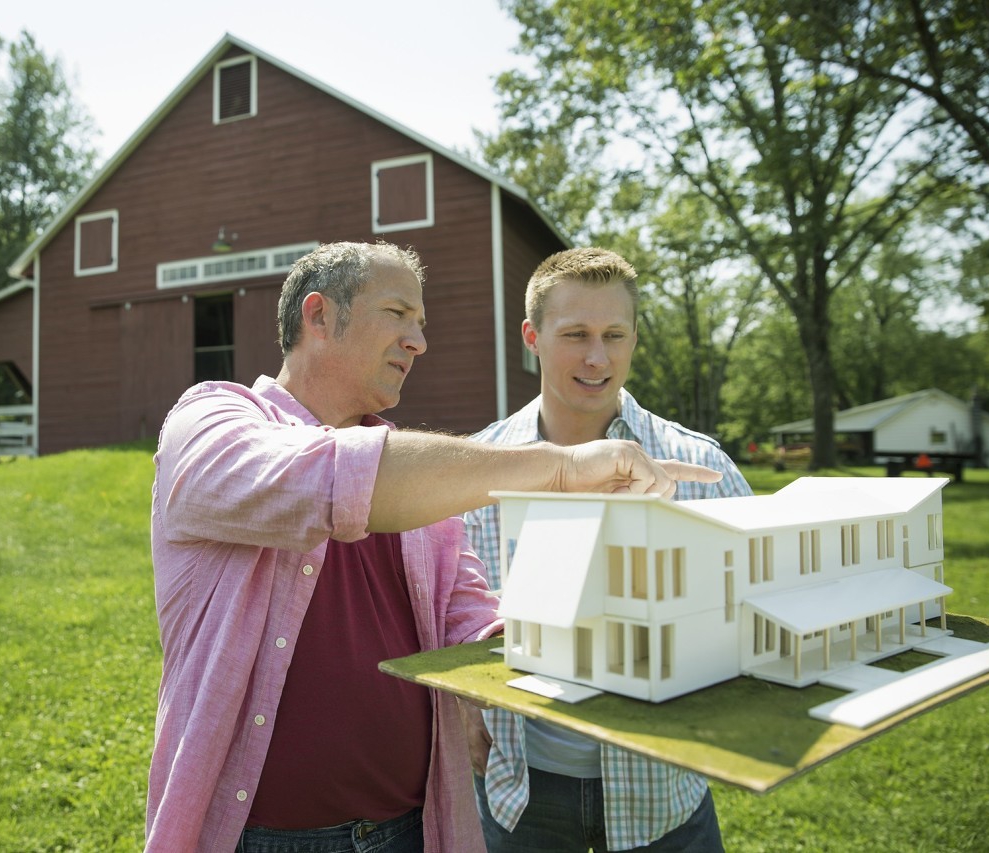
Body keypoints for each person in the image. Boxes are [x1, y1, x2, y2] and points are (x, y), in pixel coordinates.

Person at [144, 241, 722, 852]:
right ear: (318, 316)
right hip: (262, 838)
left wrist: (540, 644)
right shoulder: (212, 422)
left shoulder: (418, 474)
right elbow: (330, 477)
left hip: (409, 831)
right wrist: (561, 468)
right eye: (398, 315)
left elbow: (466, 609)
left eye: (421, 324)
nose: (418, 342)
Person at [464, 247, 753, 852]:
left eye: (614, 335)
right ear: (532, 337)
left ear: (634, 339)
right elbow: (440, 613)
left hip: (665, 793)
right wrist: (458, 700)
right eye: (576, 334)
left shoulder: (703, 469)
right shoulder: (474, 473)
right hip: (521, 795)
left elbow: (759, 606)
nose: (598, 357)